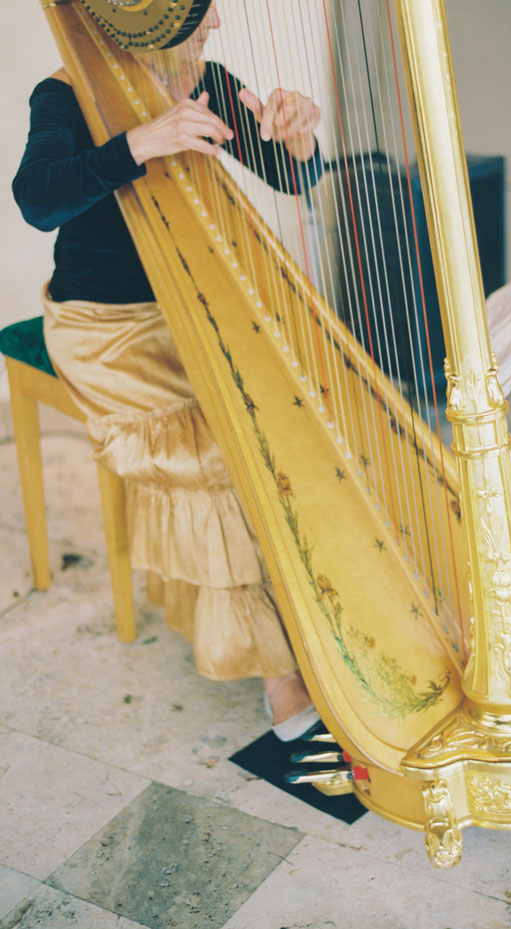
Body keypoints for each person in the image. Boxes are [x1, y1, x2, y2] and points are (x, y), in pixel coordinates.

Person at [12, 4, 322, 741]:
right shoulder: (63, 94)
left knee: (292, 426)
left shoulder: (205, 77)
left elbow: (288, 177)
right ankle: (281, 676)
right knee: (219, 457)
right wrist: (138, 143)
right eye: (201, 9)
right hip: (109, 330)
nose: (216, 22)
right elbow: (37, 199)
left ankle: (319, 607)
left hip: (198, 304)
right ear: (146, 16)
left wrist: (299, 139)